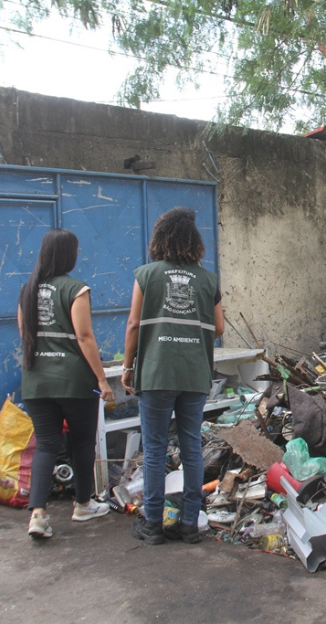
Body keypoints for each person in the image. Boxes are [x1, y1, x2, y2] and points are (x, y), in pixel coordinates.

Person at [121, 207, 224, 545]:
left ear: (160, 238)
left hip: (156, 373)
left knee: (154, 449)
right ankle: (189, 524)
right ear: (194, 243)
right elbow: (219, 327)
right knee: (192, 447)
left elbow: (134, 324)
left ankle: (152, 524)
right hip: (194, 374)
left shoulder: (146, 275)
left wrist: (127, 366)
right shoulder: (209, 281)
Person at [18, 228, 114, 539]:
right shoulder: (76, 289)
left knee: (46, 445)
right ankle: (83, 504)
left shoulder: (27, 290)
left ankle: (38, 514)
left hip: (37, 381)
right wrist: (102, 379)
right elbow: (84, 337)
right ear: (68, 254)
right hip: (74, 381)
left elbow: (25, 335)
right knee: (83, 442)